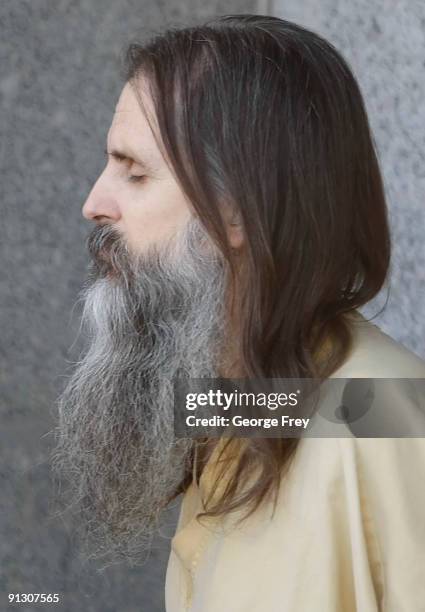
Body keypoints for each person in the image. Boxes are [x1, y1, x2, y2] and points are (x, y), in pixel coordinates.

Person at [51, 14, 425, 612]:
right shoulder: (234, 398)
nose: (94, 203)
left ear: (239, 208)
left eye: (136, 173)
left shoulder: (395, 413)